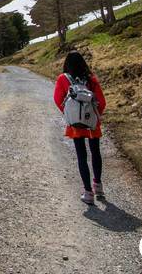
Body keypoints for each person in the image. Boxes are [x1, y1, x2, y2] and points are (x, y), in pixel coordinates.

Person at [54, 51, 106, 204]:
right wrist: (94, 116)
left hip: (76, 125)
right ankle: (98, 186)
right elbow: (101, 102)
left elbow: (58, 99)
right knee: (95, 152)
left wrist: (70, 114)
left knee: (81, 156)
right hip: (92, 123)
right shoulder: (91, 80)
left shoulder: (63, 79)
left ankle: (87, 192)